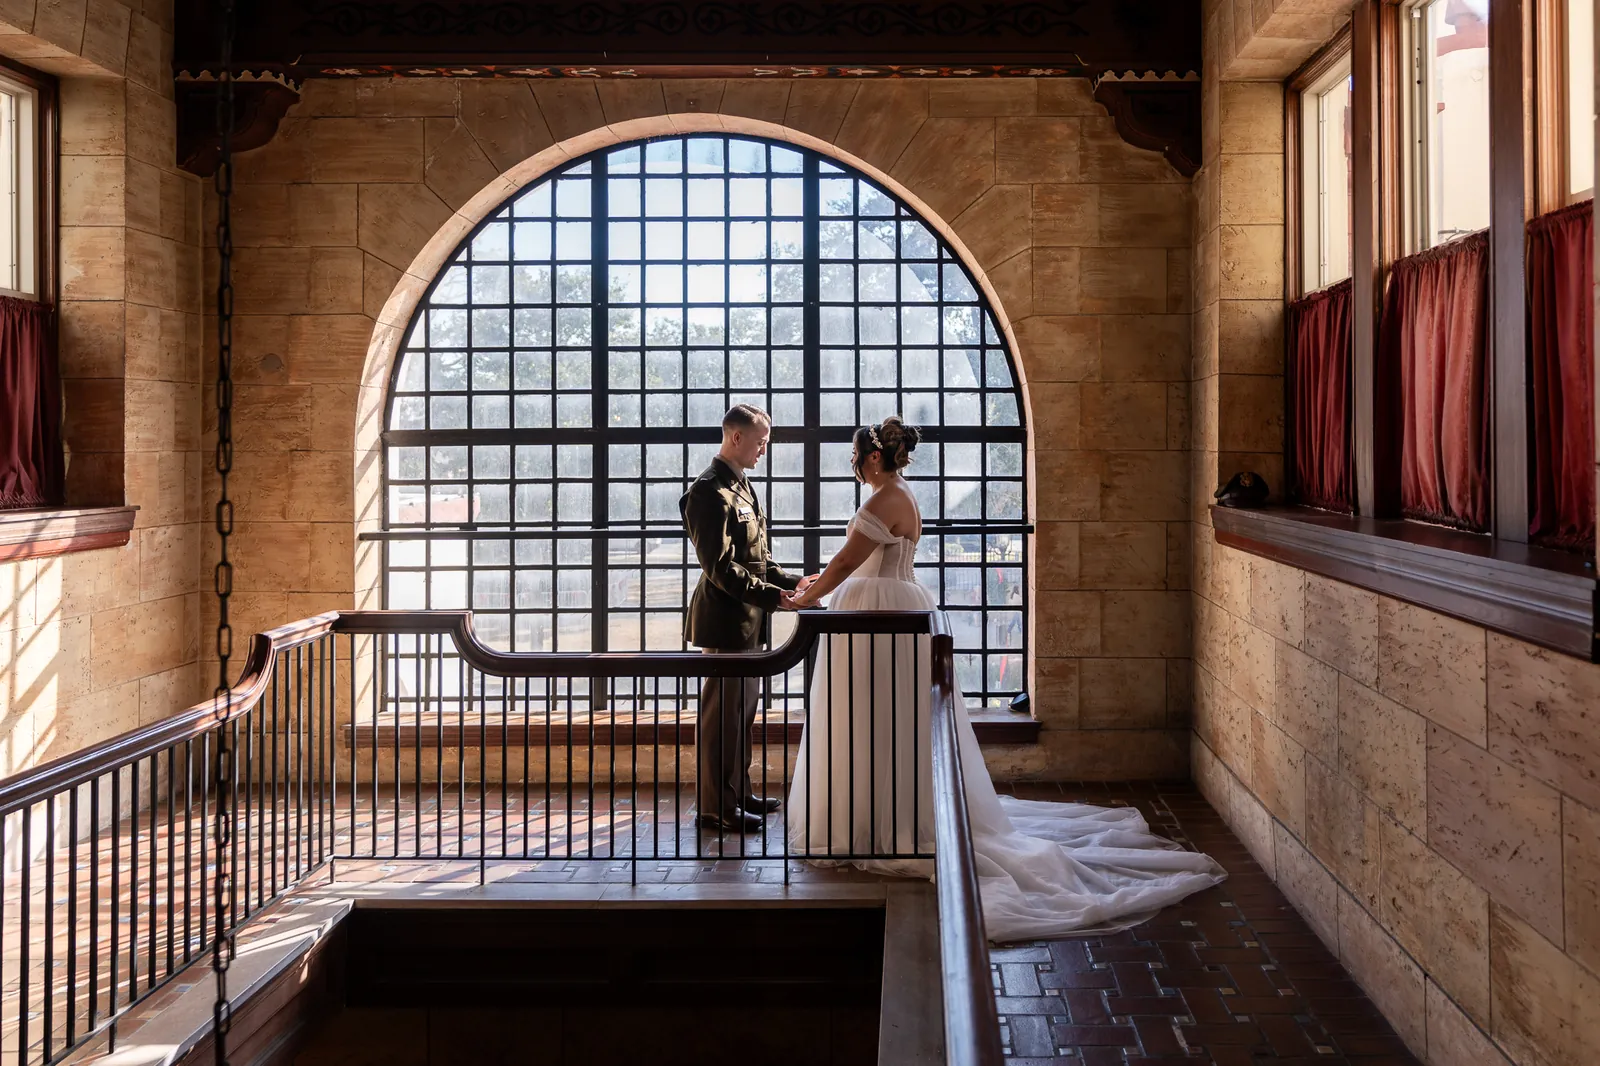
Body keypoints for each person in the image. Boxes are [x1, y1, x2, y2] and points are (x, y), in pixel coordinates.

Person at [787, 416, 1226, 942]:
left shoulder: (883, 499)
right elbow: (855, 562)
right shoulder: (898, 493)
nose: (853, 467)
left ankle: (882, 821)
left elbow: (844, 562)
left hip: (881, 611)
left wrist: (807, 597)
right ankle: (885, 812)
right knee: (886, 717)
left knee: (877, 715)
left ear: (874, 458)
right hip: (890, 602)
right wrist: (823, 583)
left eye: (855, 458)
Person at [681, 403, 818, 834]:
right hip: (725, 623)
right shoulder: (708, 490)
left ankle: (736, 792)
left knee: (741, 715)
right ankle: (715, 807)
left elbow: (759, 561)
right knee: (721, 718)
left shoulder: (740, 485)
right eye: (760, 442)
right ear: (735, 437)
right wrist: (777, 597)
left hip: (749, 621)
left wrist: (796, 583)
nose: (764, 451)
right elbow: (720, 568)